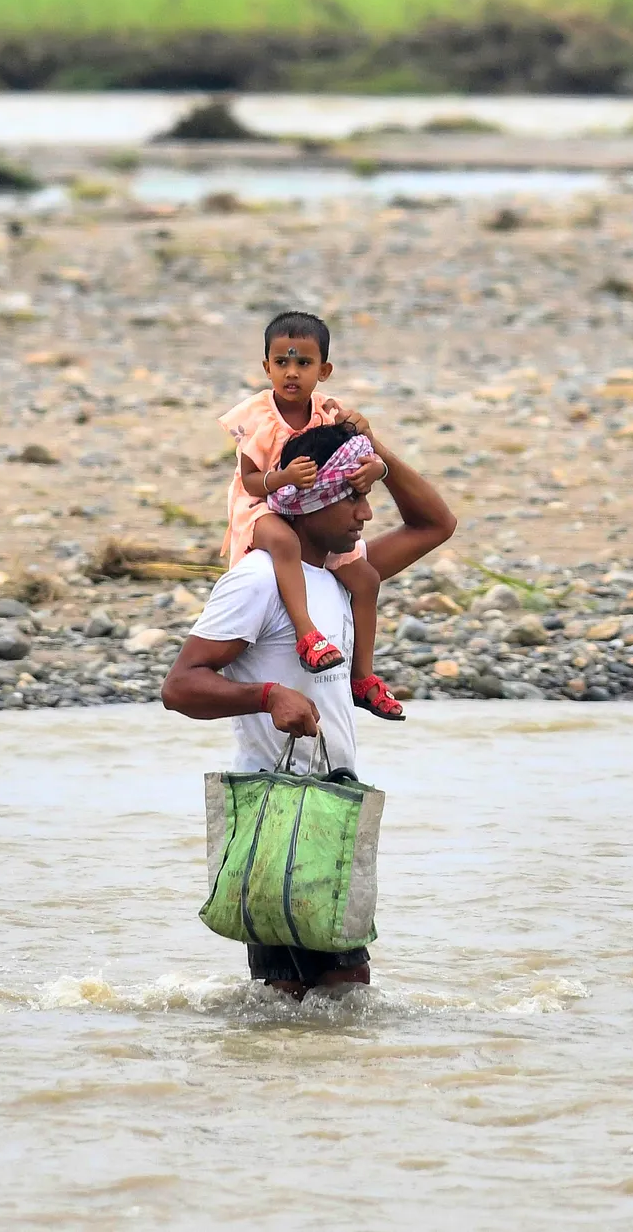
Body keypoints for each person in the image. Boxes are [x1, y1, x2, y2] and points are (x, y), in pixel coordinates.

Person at [161, 420, 455, 998]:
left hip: (330, 802)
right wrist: (266, 696)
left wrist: (375, 453)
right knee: (326, 987)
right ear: (310, 497)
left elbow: (435, 524)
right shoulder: (259, 579)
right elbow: (181, 686)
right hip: (279, 808)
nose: (365, 514)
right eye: (353, 496)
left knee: (312, 993)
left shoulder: (340, 575)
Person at [217, 310, 404, 721]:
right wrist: (281, 476)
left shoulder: (329, 412)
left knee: (366, 578)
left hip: (315, 507)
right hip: (262, 504)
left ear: (324, 370)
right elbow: (249, 481)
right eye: (281, 362)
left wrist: (377, 466)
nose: (291, 373)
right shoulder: (258, 417)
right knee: (283, 542)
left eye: (304, 363)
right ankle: (307, 634)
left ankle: (363, 677)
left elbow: (358, 452)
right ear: (266, 366)